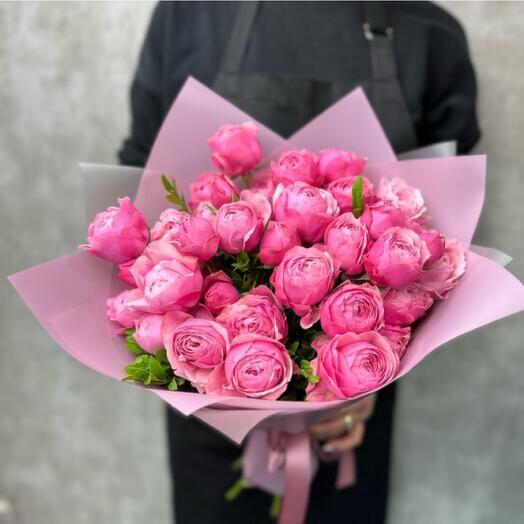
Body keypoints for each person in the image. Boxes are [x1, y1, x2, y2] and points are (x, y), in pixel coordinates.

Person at [119, 2, 480, 523]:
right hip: (204, 416)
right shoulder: (187, 13)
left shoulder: (431, 34)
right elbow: (140, 176)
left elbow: (449, 239)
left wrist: (358, 386)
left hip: (355, 415)